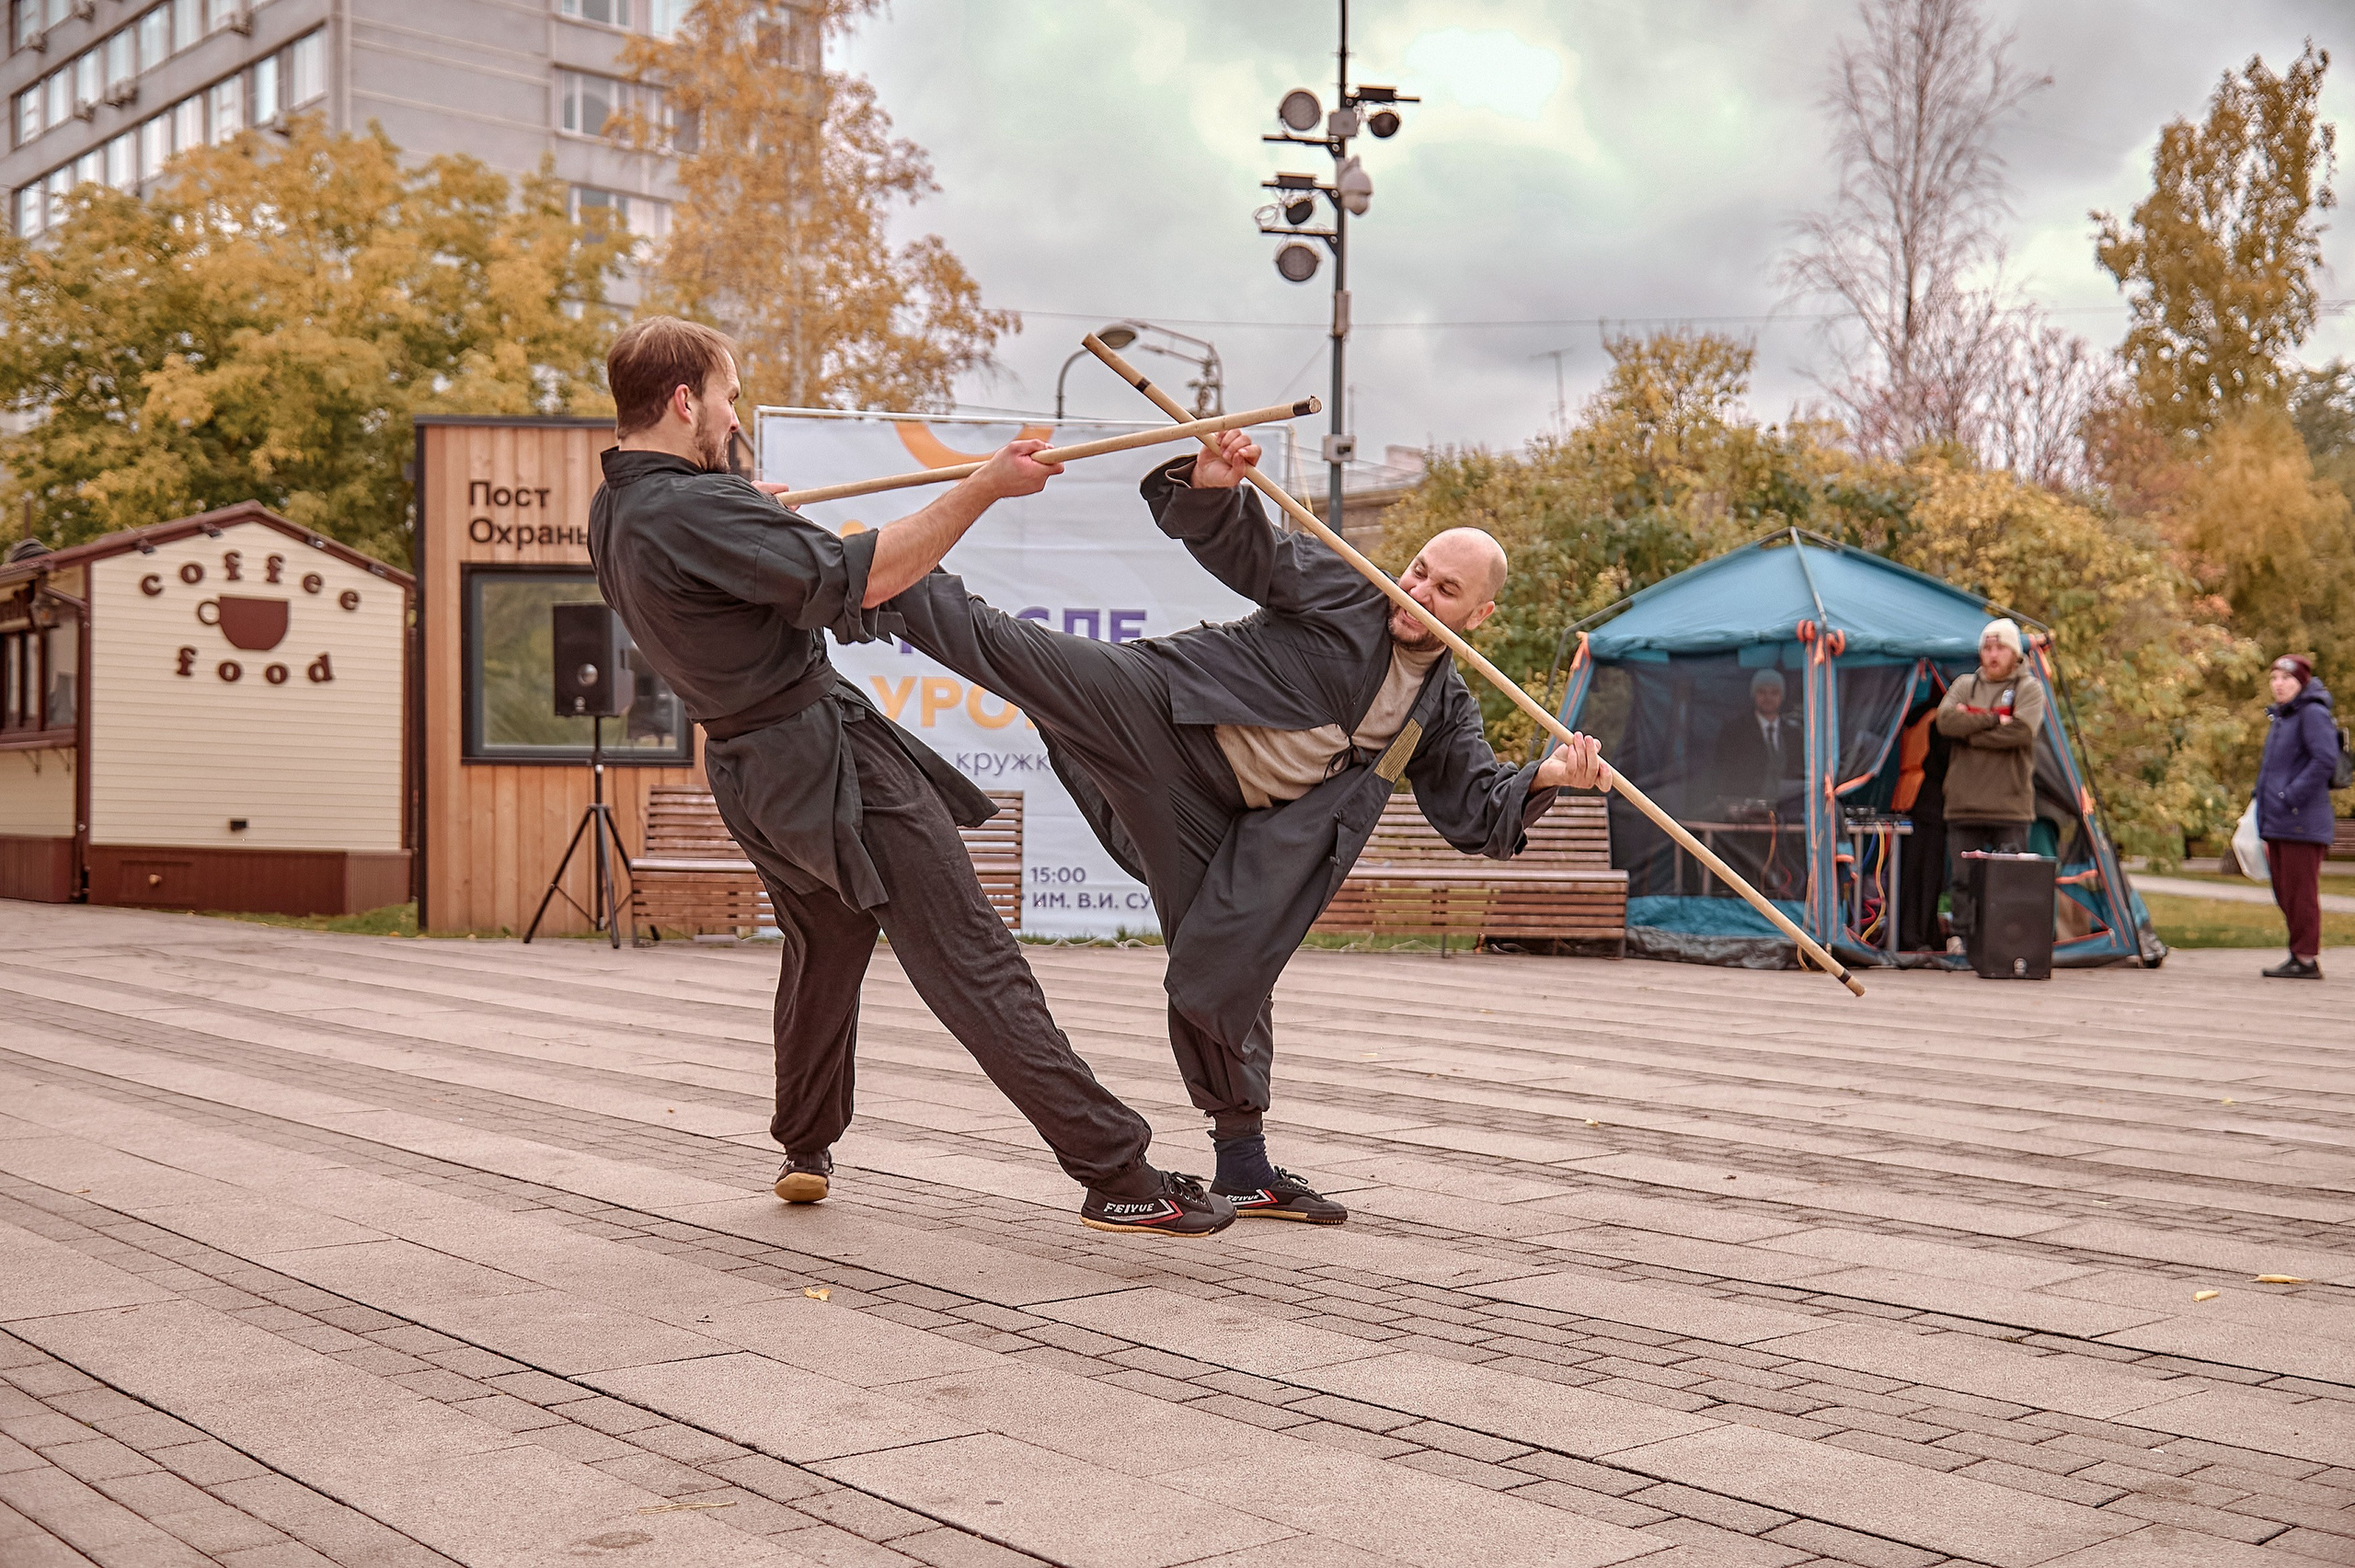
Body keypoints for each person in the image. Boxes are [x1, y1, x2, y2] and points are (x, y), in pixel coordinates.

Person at [587, 316, 1232, 1238]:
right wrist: (985, 486)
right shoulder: (694, 509)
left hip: (750, 774)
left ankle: (804, 1143)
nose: (731, 414)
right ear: (685, 399)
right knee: (973, 959)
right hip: (828, 764)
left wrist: (744, 508)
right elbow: (873, 575)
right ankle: (1114, 1169)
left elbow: (724, 570)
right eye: (726, 396)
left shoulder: (619, 510)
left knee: (825, 942)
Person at [886, 430, 1613, 1224]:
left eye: (1444, 590)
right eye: (1418, 571)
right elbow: (1251, 551)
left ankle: (1242, 1167)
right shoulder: (1347, 587)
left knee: (1232, 966)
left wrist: (1548, 773)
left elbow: (1476, 810)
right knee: (1020, 652)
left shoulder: (1443, 707)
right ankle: (879, 578)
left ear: (1480, 611)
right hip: (1166, 711)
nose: (1417, 593)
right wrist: (1213, 486)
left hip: (1224, 820)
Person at [1935, 618, 2047, 951]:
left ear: (2014, 653)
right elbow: (1945, 722)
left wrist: (1969, 726)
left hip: (2009, 805)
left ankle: (2005, 944)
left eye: (2000, 648)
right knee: (1963, 879)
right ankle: (1964, 941)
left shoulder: (2029, 688)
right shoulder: (1964, 684)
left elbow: (2023, 731)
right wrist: (1995, 717)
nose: (1993, 654)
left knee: (2011, 882)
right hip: (1963, 803)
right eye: (1987, 647)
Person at [2255, 654, 2338, 979]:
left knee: (2300, 892)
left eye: (2286, 679)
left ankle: (2305, 959)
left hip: (2301, 821)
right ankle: (2298, 954)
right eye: (2274, 678)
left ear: (2301, 683)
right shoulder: (2283, 717)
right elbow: (2274, 770)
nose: (2279, 684)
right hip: (2278, 820)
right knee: (2285, 890)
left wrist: (2289, 797)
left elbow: (2324, 760)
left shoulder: (2312, 714)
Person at [1708, 667, 1803, 895]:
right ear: (1754, 695)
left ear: (1782, 696)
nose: (1768, 698)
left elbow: (1801, 774)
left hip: (1785, 819)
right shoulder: (1734, 731)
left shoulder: (1795, 734)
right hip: (1744, 820)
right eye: (1763, 692)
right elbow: (1723, 772)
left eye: (1774, 692)